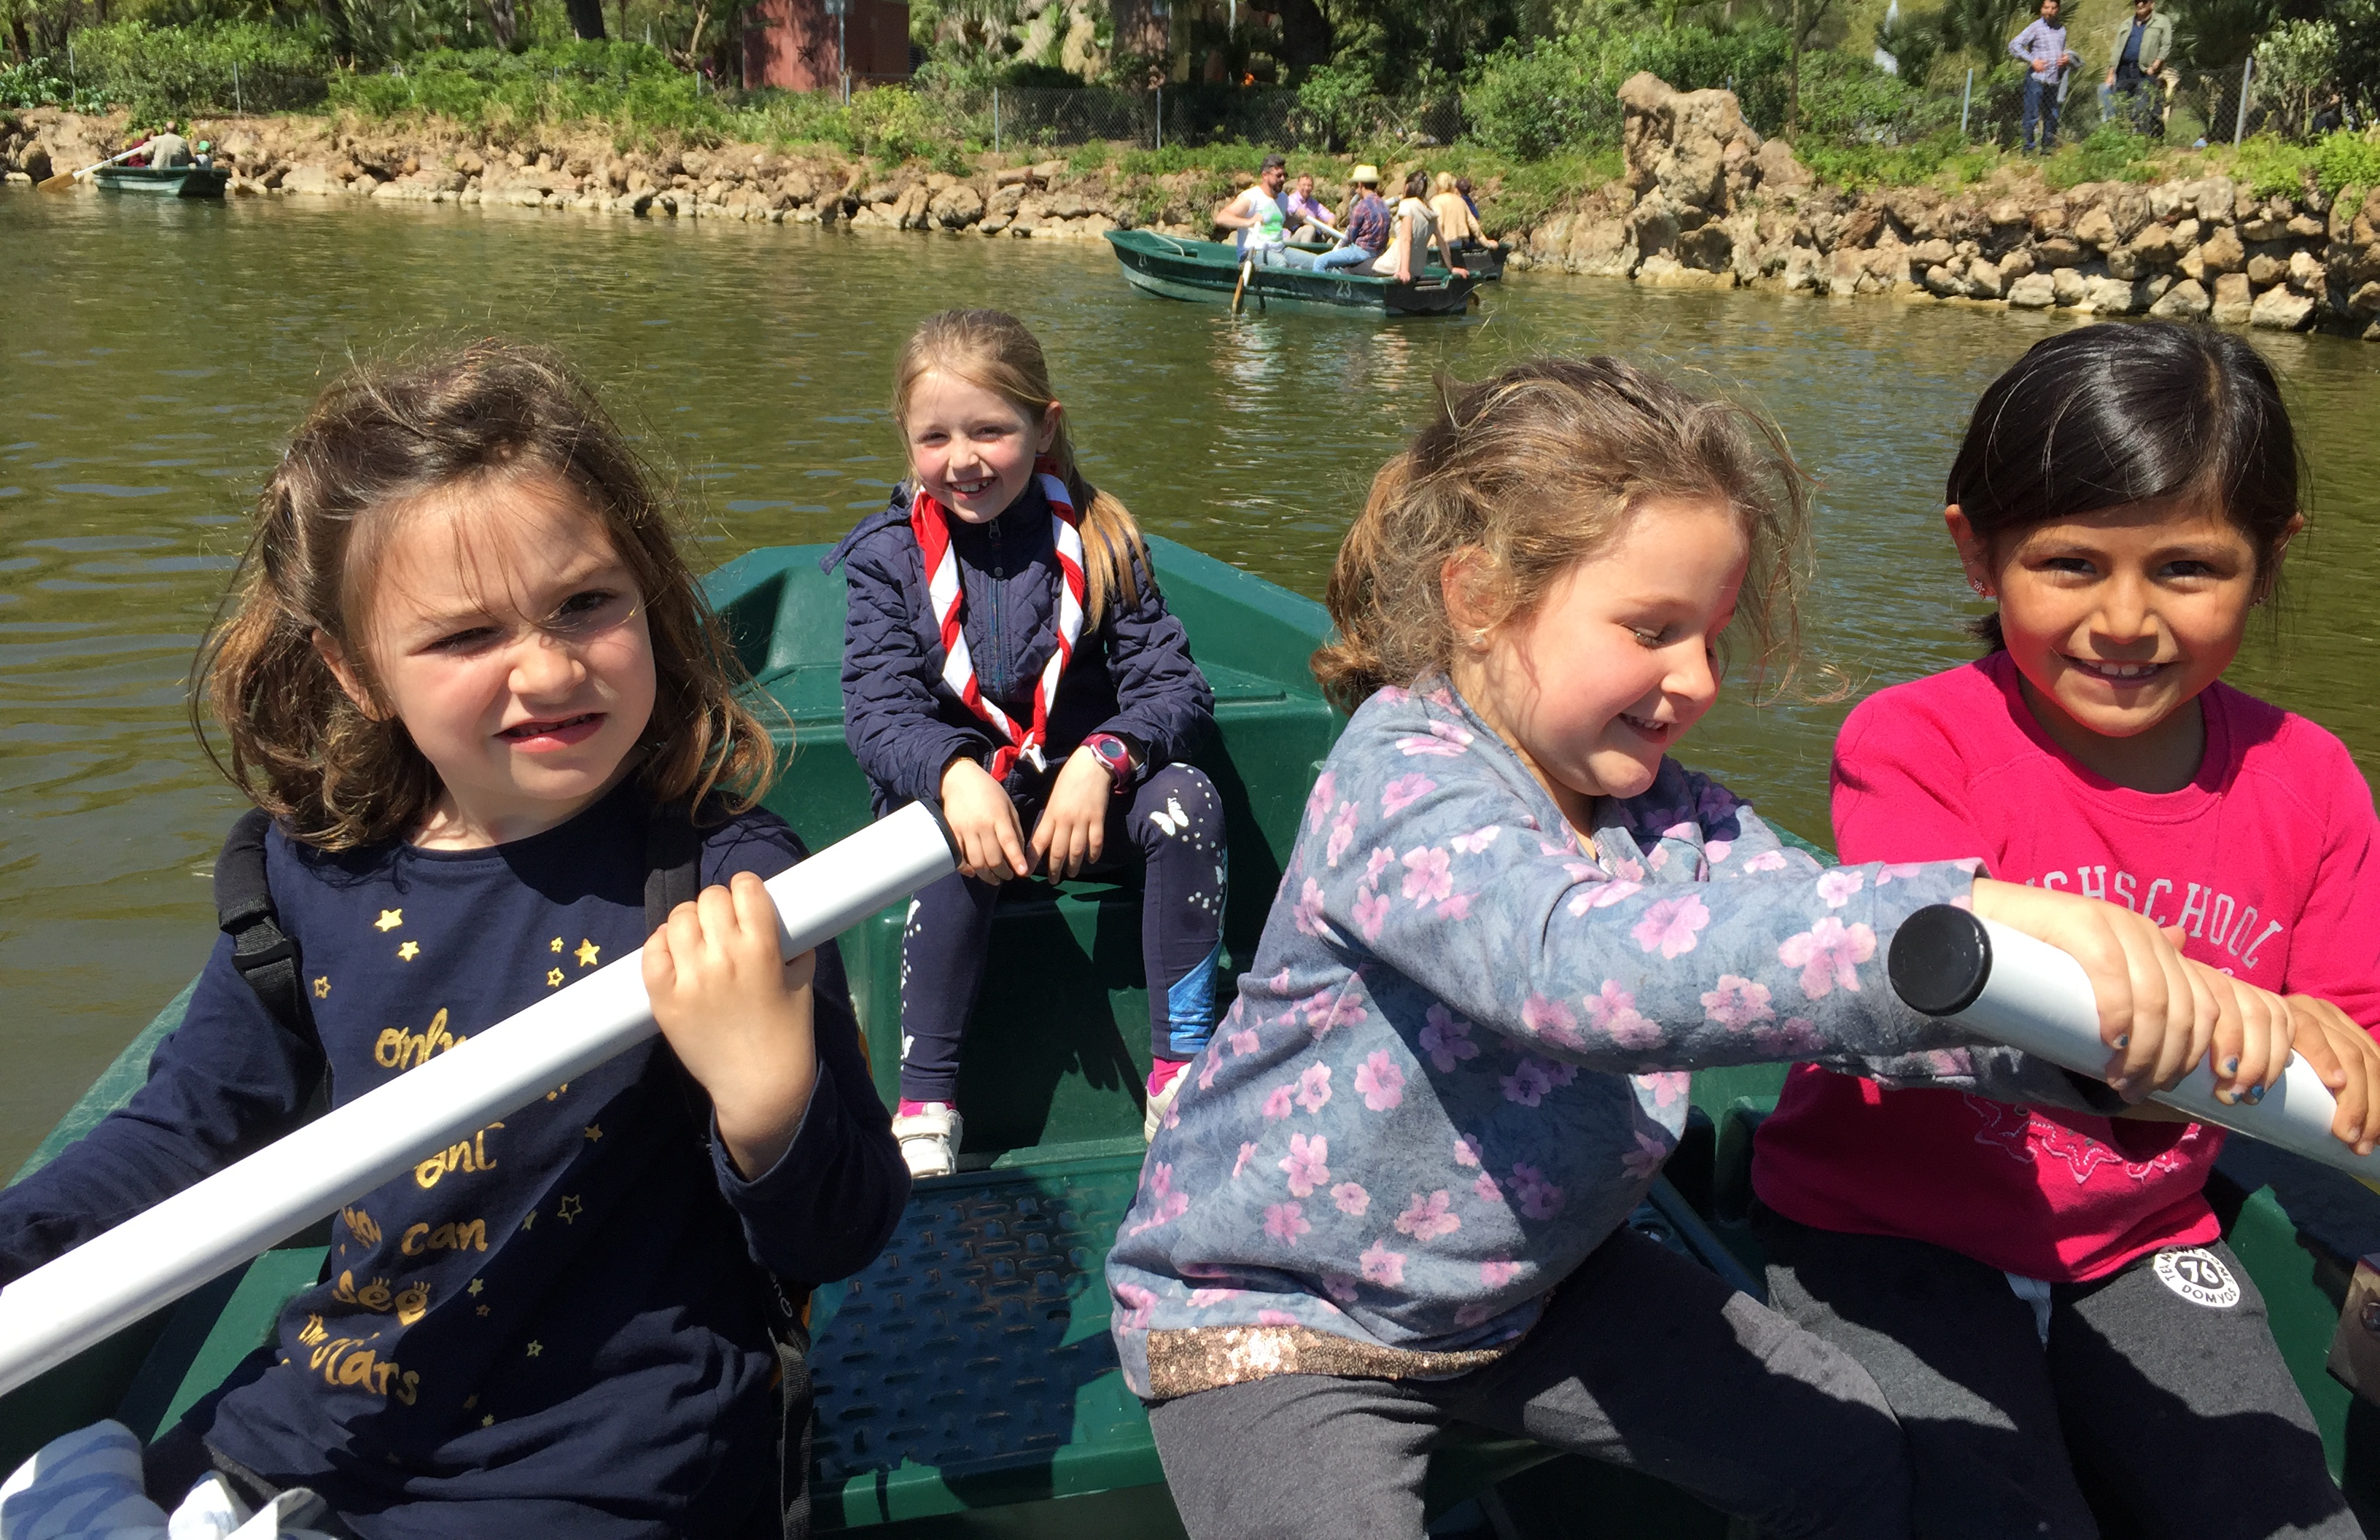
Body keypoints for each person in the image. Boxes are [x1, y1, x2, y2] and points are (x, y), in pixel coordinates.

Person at [1107, 357, 2249, 1540]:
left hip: (1536, 1289)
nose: (1696, 680)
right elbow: (1572, 971)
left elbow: (1837, 969)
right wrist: (1977, 912)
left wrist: (2087, 1056)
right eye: (1652, 630)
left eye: (1708, 634)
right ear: (1479, 596)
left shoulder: (1673, 819)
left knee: (1852, 1456)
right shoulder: (1401, 779)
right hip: (1285, 1315)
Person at [0, 343, 907, 1538]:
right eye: (466, 635)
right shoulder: (309, 875)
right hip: (325, 1415)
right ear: (355, 670)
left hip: (594, 1465)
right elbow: (186, 1131)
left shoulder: (725, 886)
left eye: (587, 603)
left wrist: (768, 1100)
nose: (550, 667)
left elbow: (840, 1229)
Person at [1751, 322, 2380, 1540]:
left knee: (2283, 1514)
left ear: (2267, 561)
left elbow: (2348, 1043)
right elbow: (1923, 977)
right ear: (1977, 554)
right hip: (1880, 1226)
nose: (2124, 620)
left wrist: (2313, 1036)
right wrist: (2222, 1020)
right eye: (2071, 563)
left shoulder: (2311, 781)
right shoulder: (1911, 743)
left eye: (2187, 569)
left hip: (2136, 1235)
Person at [833, 310, 1223, 1176]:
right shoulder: (887, 557)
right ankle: (926, 1105)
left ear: (1043, 427)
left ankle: (1183, 1074)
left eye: (990, 431)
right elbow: (878, 710)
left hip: (1080, 806)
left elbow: (1174, 689)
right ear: (906, 438)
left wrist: (1107, 756)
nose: (962, 460)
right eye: (935, 437)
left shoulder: (1103, 538)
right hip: (968, 805)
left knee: (1188, 803)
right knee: (937, 831)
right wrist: (952, 772)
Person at [1212, 153, 1315, 271]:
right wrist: (1249, 222)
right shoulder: (1251, 197)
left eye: (1284, 175)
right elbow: (1222, 218)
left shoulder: (1283, 198)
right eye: (1278, 175)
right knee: (1281, 263)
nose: (1283, 179)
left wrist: (1297, 219)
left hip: (1280, 250)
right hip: (1253, 253)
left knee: (1319, 262)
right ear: (1265, 175)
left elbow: (1282, 223)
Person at [2009, 0, 2080, 155]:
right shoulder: (2036, 27)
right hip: (2036, 79)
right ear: (2041, 9)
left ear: (2058, 9)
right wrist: (2032, 60)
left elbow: (2060, 51)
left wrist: (2065, 59)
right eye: (2046, 8)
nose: (2049, 11)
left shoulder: (2061, 30)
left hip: (2053, 80)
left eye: (2053, 8)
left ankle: (2047, 150)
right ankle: (2028, 150)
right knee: (2032, 115)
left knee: (2052, 115)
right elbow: (2014, 45)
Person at [2101, 0, 2173, 136]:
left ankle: (2141, 138)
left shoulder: (2162, 21)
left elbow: (2166, 45)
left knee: (2141, 107)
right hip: (2124, 71)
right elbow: (2117, 49)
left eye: (2144, 1)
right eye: (2137, 1)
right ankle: (2123, 137)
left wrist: (2156, 65)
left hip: (2145, 72)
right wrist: (2110, 74)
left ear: (2151, 4)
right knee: (2122, 106)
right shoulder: (2127, 23)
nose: (2140, 4)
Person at [1377, 169, 1463, 281]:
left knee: (1356, 265)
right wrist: (1451, 268)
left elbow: (1406, 239)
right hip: (1417, 271)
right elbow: (1442, 240)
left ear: (1407, 187)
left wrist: (1404, 270)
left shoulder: (1407, 205)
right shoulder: (1430, 210)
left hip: (1392, 268)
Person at [1313, 165, 1391, 273]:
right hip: (1379, 251)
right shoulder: (1384, 205)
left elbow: (1350, 236)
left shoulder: (1361, 207)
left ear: (1360, 184)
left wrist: (1339, 248)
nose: (1355, 189)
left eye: (1355, 185)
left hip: (1361, 251)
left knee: (1320, 261)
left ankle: (1319, 285)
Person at [1283, 174, 1338, 246]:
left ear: (1312, 188)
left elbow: (1329, 215)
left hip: (1314, 233)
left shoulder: (1314, 204)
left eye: (1309, 185)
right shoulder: (1291, 199)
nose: (1306, 188)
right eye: (1304, 185)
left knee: (1331, 232)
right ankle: (1305, 252)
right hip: (1292, 236)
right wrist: (1299, 211)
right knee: (1310, 229)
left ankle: (1329, 252)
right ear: (1298, 186)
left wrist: (1330, 224)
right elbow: (1293, 209)